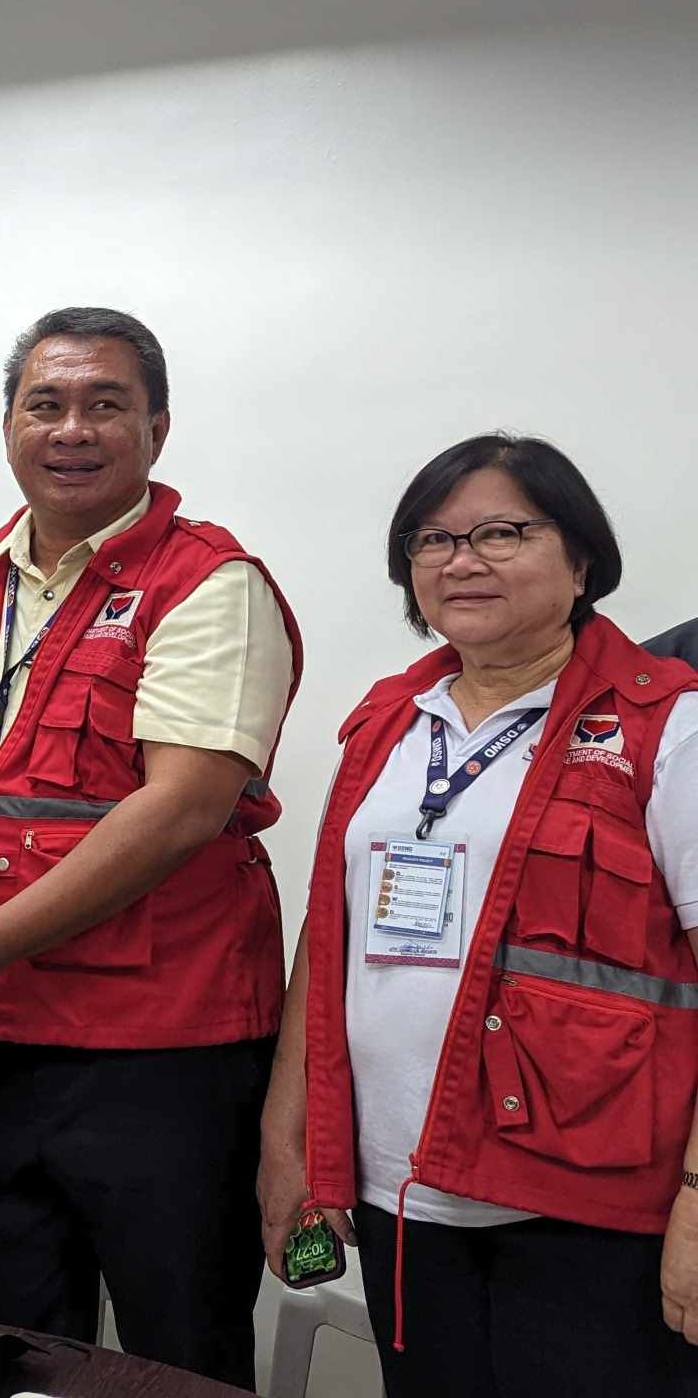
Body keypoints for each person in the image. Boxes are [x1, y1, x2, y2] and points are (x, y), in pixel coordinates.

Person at [0, 306, 302, 1387]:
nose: (72, 427)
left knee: (179, 1358)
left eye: (105, 404)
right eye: (47, 403)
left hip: (162, 1057)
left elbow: (181, 809)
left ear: (157, 429)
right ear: (10, 424)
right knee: (20, 1356)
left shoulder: (213, 584)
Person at [257, 433, 698, 1397]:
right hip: (398, 1197)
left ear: (581, 561)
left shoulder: (667, 725)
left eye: (503, 531)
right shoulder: (386, 721)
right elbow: (326, 952)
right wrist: (288, 1147)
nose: (463, 560)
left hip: (591, 1206)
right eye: (433, 539)